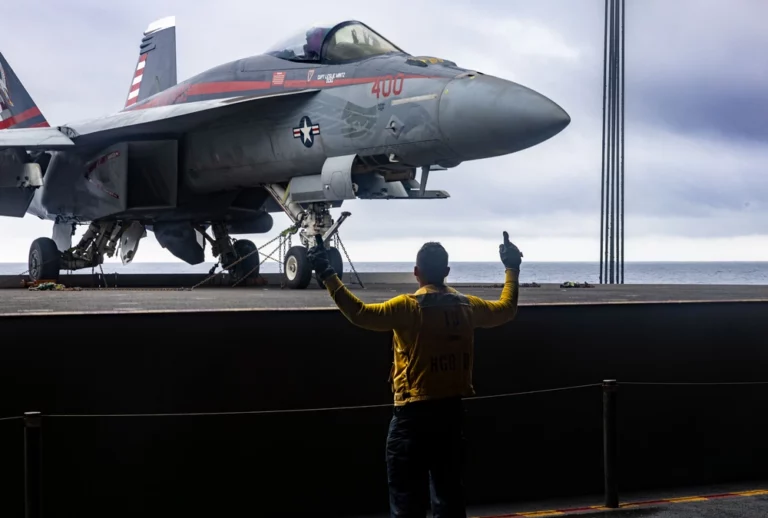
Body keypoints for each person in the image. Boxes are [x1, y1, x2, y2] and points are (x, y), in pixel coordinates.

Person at [306, 232, 523, 518]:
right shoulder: (468, 306)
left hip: (412, 417)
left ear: (416, 273)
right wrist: (512, 268)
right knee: (449, 499)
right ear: (446, 272)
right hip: (451, 415)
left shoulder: (407, 307)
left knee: (407, 503)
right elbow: (507, 309)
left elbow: (359, 313)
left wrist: (327, 274)